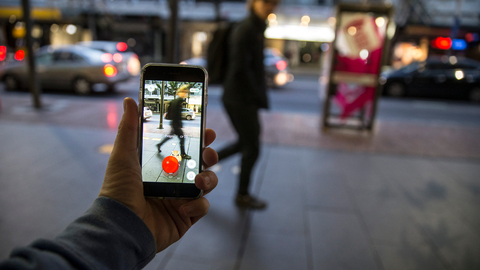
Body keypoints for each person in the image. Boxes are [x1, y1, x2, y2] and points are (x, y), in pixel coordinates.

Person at [0, 97, 219, 269]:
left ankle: (164, 148)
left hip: (122, 228)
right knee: (177, 139)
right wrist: (123, 225)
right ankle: (164, 148)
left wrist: (122, 224)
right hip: (122, 228)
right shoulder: (175, 105)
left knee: (177, 140)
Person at [218, 0, 279, 209]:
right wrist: (255, 94)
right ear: (253, 2)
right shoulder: (247, 29)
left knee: (244, 144)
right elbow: (240, 68)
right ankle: (242, 195)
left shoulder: (256, 28)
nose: (272, 6)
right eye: (267, 2)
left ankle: (201, 163)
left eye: (275, 2)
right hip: (239, 98)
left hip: (241, 97)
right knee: (251, 147)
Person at [157, 85, 191, 159]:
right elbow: (176, 114)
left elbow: (170, 113)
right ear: (180, 92)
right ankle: (183, 154)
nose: (185, 94)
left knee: (170, 136)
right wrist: (178, 124)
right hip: (176, 124)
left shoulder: (174, 101)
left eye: (186, 92)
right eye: (184, 92)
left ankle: (159, 144)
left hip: (174, 123)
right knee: (182, 138)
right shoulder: (178, 101)